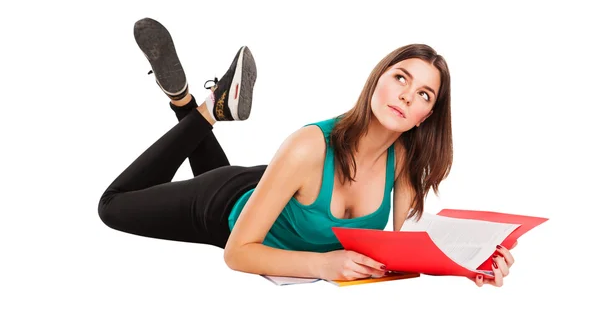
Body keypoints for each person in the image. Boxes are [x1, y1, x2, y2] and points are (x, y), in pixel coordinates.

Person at [98, 18, 515, 287]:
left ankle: (187, 99)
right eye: (401, 78)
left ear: (427, 115)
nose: (407, 97)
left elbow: (405, 249)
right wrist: (322, 266)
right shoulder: (308, 146)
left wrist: (473, 266)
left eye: (423, 93)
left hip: (275, 191)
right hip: (221, 206)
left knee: (227, 180)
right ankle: (203, 110)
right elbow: (238, 253)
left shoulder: (403, 159)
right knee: (112, 207)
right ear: (377, 80)